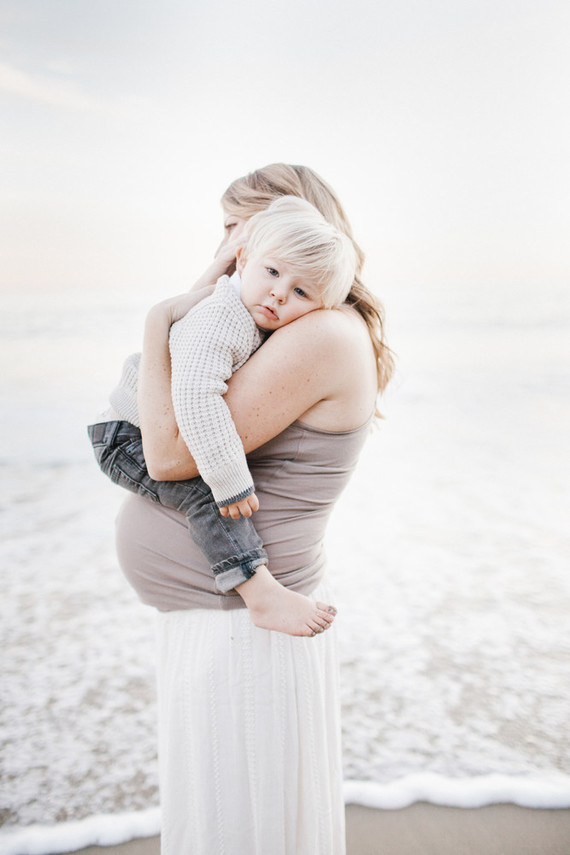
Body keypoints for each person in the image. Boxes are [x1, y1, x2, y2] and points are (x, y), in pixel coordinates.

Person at [112, 164, 394, 854]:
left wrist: (162, 318)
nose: (226, 246)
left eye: (236, 228)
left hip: (243, 630)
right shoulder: (273, 318)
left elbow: (171, 453)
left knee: (241, 829)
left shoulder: (319, 332)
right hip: (222, 618)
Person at [88, 196, 357, 636]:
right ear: (244, 259)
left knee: (205, 489)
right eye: (272, 272)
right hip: (124, 435)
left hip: (132, 429)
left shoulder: (247, 313)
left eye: (302, 292)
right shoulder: (223, 317)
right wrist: (230, 479)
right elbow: (196, 396)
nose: (279, 293)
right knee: (205, 495)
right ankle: (258, 592)